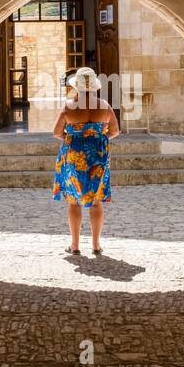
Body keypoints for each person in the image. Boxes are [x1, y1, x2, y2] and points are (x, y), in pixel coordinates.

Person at [51, 67, 121, 255]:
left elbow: (57, 133)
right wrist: (97, 136)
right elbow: (115, 131)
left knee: (74, 201)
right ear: (95, 87)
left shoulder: (68, 107)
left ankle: (74, 246)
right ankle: (96, 245)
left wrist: (74, 135)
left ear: (77, 87)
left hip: (74, 156)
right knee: (97, 201)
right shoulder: (105, 106)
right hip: (98, 155)